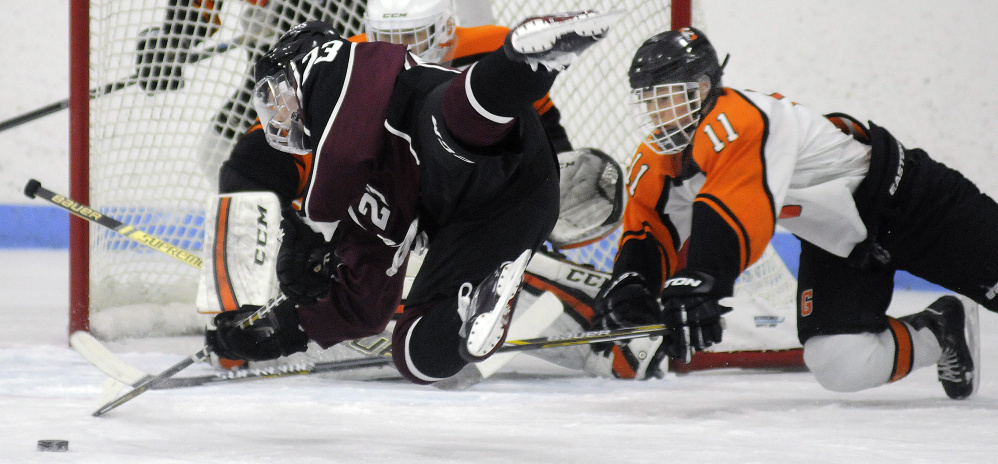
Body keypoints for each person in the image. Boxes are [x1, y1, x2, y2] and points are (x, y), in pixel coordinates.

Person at [203, 10, 624, 385]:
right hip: (508, 215)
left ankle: (531, 62)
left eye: (277, 97)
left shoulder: (347, 67)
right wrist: (287, 328)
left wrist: (313, 231)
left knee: (447, 127)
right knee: (419, 357)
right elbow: (366, 305)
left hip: (496, 155)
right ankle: (480, 299)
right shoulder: (356, 188)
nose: (276, 116)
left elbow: (346, 148)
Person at [594, 27, 993, 399]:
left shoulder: (737, 119)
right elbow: (649, 225)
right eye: (648, 100)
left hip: (912, 201)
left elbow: (731, 207)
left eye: (665, 97)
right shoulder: (659, 158)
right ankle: (940, 330)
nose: (656, 111)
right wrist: (634, 285)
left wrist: (704, 282)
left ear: (700, 89)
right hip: (839, 242)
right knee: (839, 361)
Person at [134, 0, 367, 183]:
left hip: (348, 51)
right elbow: (196, 19)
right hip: (279, 56)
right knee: (219, 153)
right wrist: (170, 46)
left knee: (331, 155)